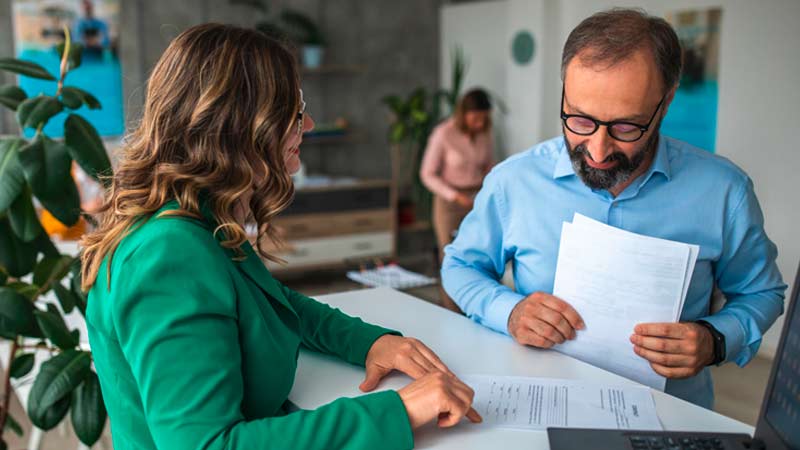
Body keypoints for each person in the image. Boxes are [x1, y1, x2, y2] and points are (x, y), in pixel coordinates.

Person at [80, 24, 480, 450]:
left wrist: (370, 342)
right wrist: (397, 410)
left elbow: (270, 302)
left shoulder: (195, 216)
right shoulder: (169, 254)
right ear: (238, 126)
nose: (307, 124)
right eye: (293, 111)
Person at [441, 8, 786, 409]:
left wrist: (716, 339)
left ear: (666, 102)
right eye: (580, 120)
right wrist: (509, 311)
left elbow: (762, 292)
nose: (598, 150)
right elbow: (459, 266)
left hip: (671, 417)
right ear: (564, 94)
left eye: (626, 127)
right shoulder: (513, 182)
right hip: (537, 407)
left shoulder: (725, 191)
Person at [420, 88, 494, 312]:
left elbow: (490, 165)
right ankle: (452, 310)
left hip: (477, 198)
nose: (480, 123)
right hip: (449, 202)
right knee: (451, 256)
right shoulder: (443, 134)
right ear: (464, 113)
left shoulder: (485, 134)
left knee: (480, 253)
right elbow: (427, 174)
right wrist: (455, 196)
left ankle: (477, 309)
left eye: (484, 118)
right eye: (475, 118)